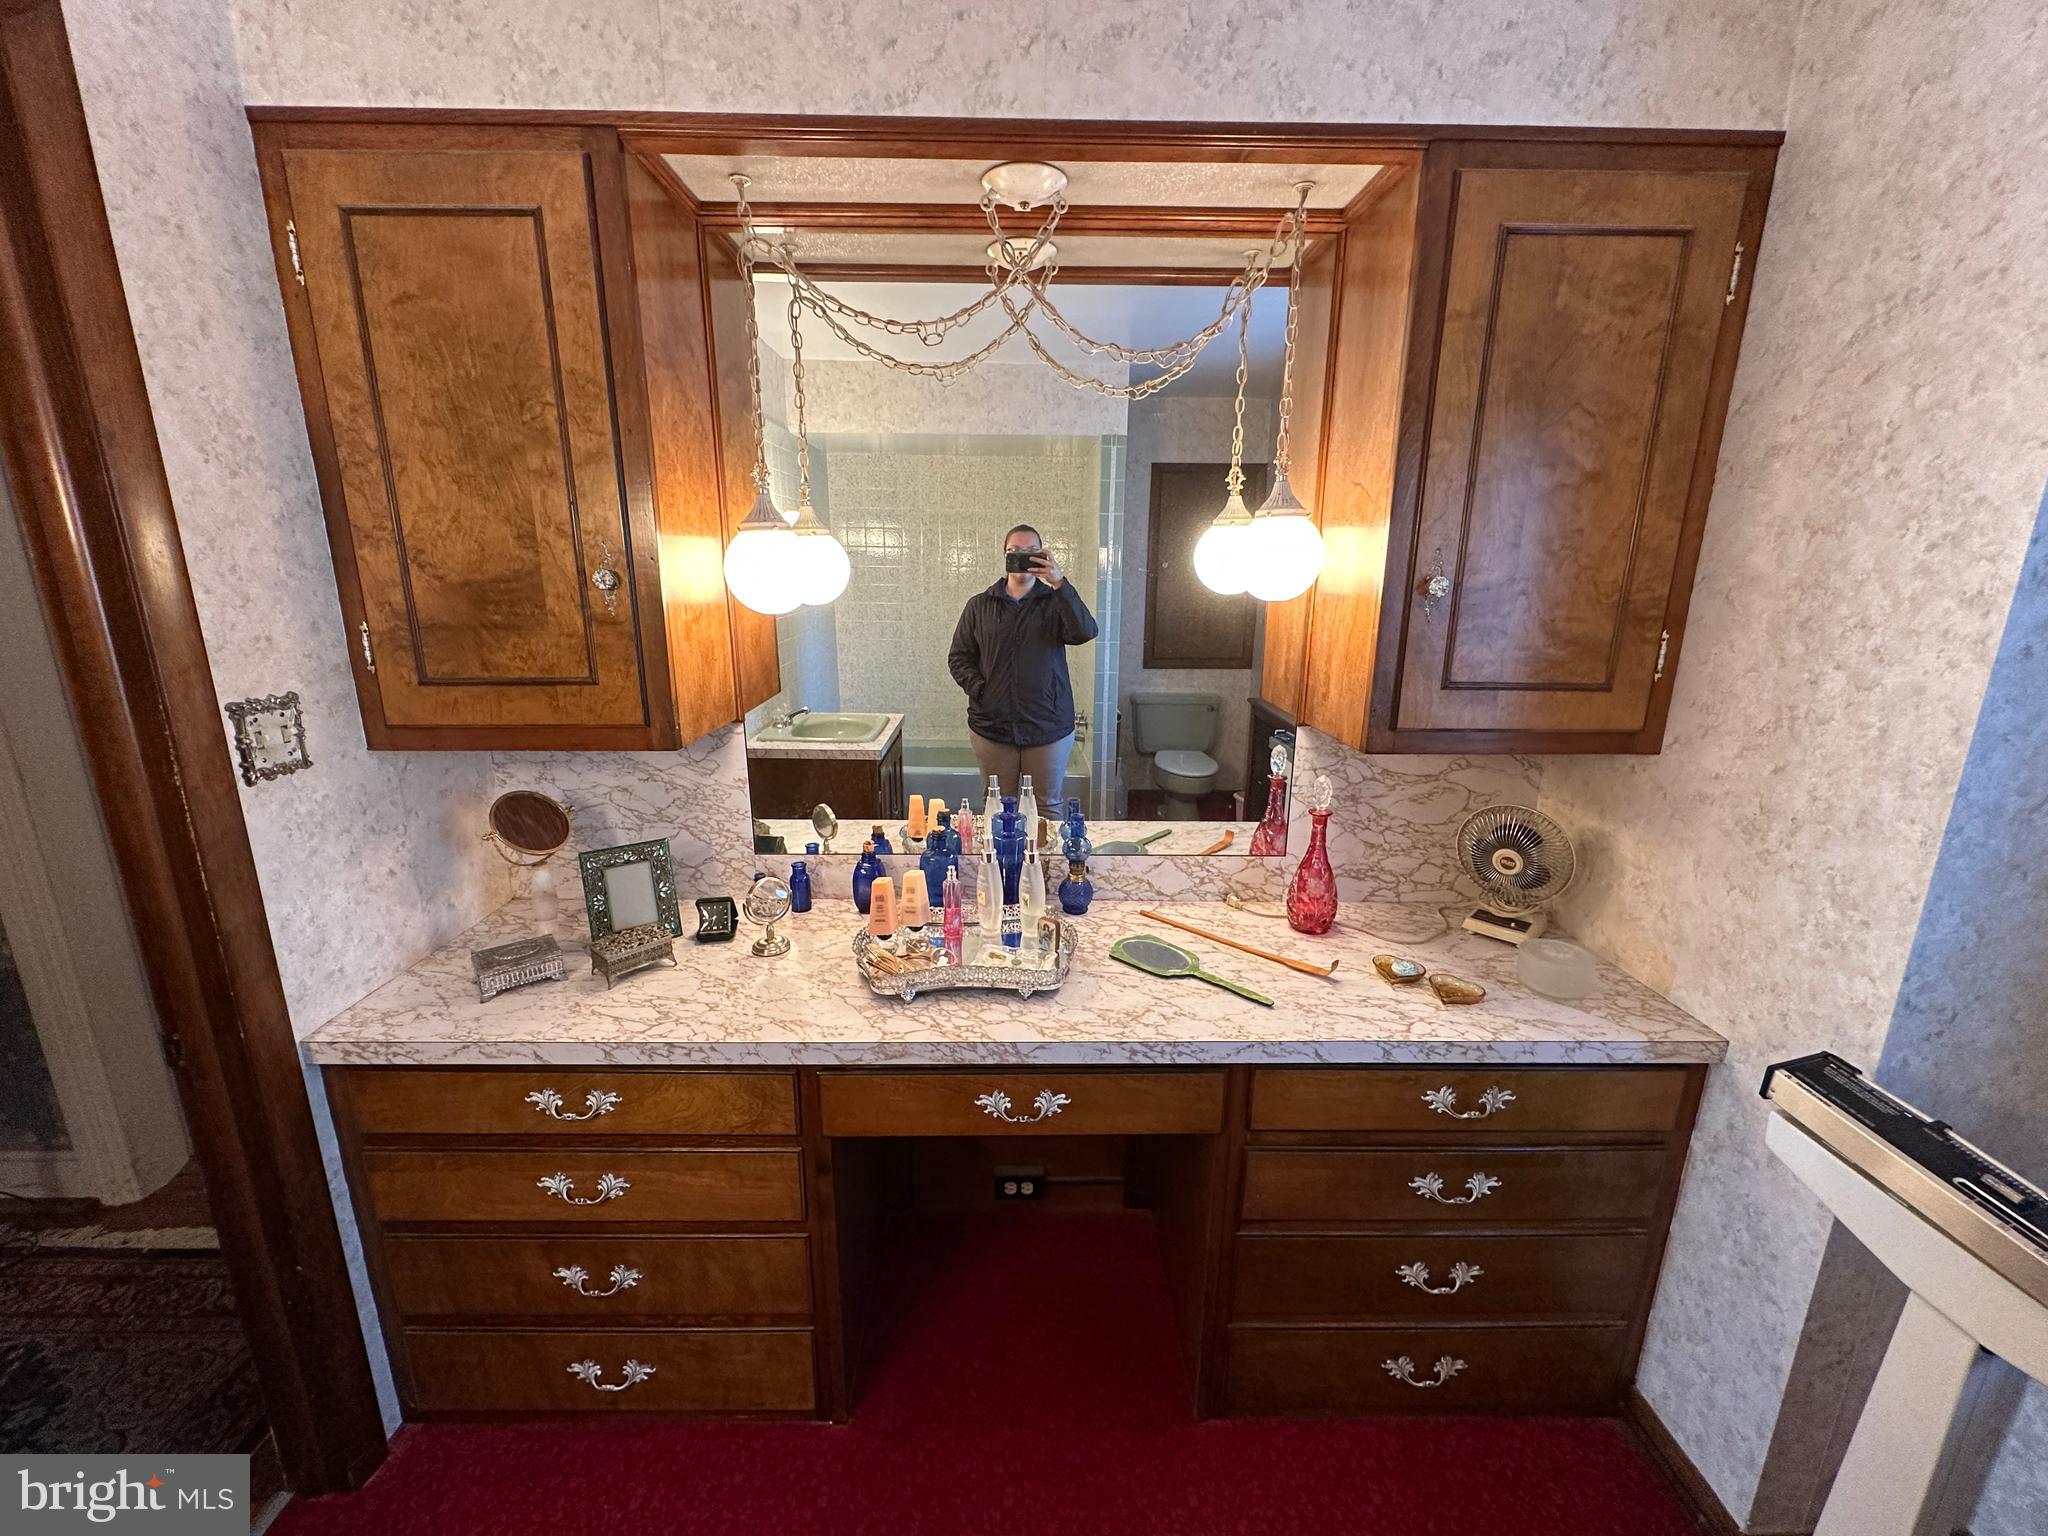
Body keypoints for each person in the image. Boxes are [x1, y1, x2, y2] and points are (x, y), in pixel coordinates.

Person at [948, 524, 1096, 810]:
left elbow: (1084, 632)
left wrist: (1059, 583)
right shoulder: (980, 606)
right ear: (1004, 556)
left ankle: (1046, 858)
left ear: (1043, 556)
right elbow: (959, 657)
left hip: (1048, 726)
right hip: (992, 726)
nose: (1022, 557)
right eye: (1014, 551)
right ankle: (998, 858)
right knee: (996, 805)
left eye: (1031, 552)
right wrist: (983, 690)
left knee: (1046, 806)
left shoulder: (1056, 602)